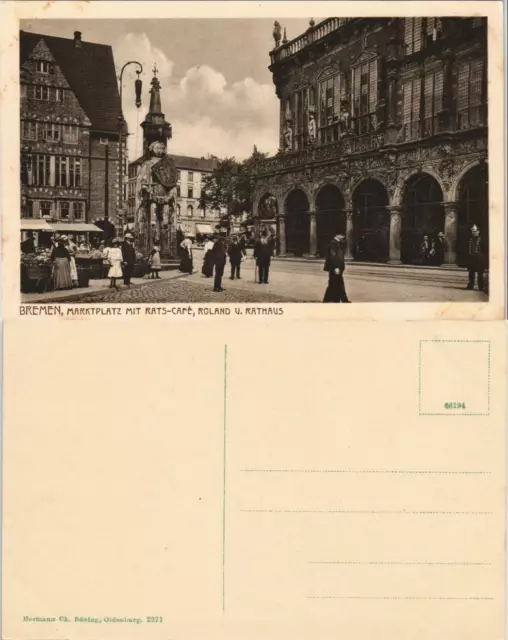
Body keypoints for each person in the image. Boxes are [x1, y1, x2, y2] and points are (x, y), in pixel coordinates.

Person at [323, 233, 351, 303]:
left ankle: (333, 300)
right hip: (335, 268)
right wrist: (336, 267)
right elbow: (333, 256)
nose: (343, 237)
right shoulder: (333, 244)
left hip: (337, 268)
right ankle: (342, 300)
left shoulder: (338, 243)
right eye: (342, 235)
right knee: (337, 284)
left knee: (334, 284)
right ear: (337, 235)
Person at [466, 224, 487, 292]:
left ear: (478, 231)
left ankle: (481, 287)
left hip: (480, 259)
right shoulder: (470, 239)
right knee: (471, 273)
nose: (474, 232)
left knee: (480, 274)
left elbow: (485, 249)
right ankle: (470, 285)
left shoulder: (482, 239)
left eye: (475, 231)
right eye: (472, 231)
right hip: (471, 259)